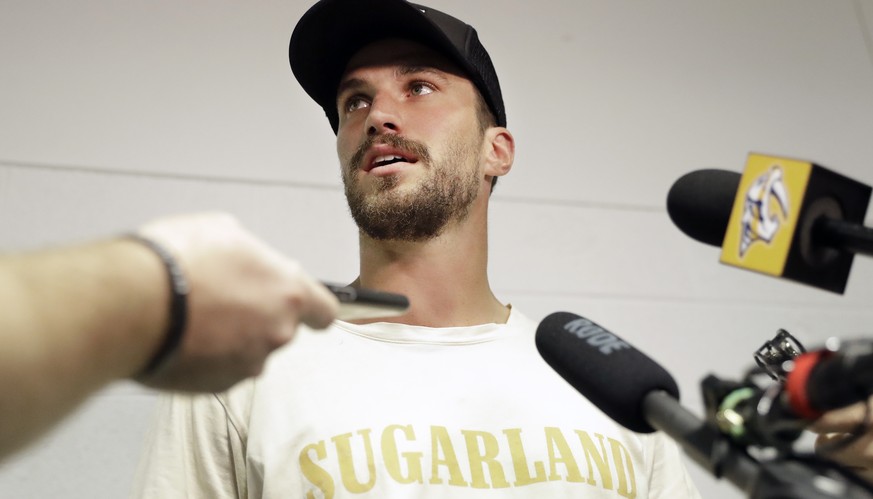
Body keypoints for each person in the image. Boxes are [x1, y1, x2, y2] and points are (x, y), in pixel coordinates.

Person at [131, 1, 702, 497]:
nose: (377, 115)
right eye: (354, 102)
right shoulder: (239, 370)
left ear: (496, 151)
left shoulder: (607, 385)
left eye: (419, 87)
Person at [0, 211, 338, 463]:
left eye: (394, 109)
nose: (376, 116)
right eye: (353, 109)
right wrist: (156, 294)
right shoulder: (239, 353)